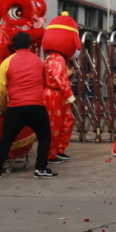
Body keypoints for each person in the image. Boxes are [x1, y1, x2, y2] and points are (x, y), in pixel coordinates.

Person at [0, 31, 56, 178]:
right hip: (36, 106)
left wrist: (4, 107)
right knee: (45, 137)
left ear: (14, 45)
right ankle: (40, 168)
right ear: (29, 44)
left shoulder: (7, 62)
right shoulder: (38, 61)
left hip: (15, 108)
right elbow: (44, 82)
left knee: (6, 139)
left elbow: (1, 89)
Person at [42, 12, 82, 163]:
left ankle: (59, 149)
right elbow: (60, 78)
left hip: (58, 94)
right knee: (55, 124)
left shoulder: (55, 58)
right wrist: (69, 94)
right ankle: (51, 153)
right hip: (54, 95)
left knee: (66, 121)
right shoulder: (56, 58)